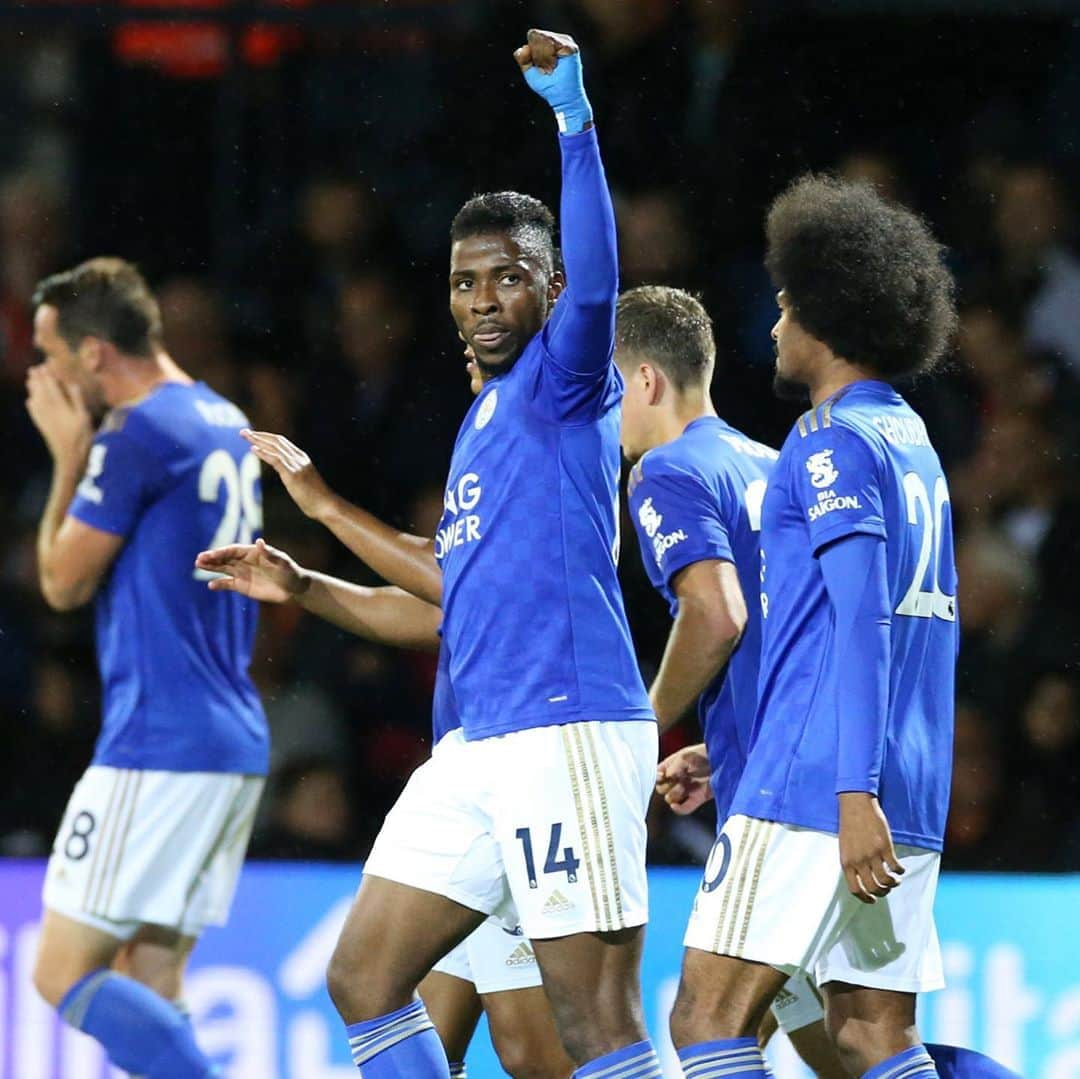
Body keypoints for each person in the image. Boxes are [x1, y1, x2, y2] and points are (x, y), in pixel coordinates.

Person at [202, 30, 659, 1078]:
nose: (481, 298)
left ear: (546, 289)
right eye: (463, 282)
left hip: (564, 725)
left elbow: (597, 287)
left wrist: (574, 120)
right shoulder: (486, 418)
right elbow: (455, 587)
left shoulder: (566, 379)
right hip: (477, 743)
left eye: (507, 279)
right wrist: (307, 582)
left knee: (591, 1031)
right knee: (362, 977)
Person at [667, 173, 959, 1079]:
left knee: (707, 1020)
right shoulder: (910, 438)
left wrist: (846, 786)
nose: (774, 325)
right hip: (902, 778)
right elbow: (875, 631)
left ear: (827, 314)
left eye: (787, 307)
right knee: (873, 1033)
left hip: (823, 785)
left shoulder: (828, 441)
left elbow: (862, 615)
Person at [25, 257, 267, 1079]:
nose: (44, 376)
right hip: (229, 735)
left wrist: (67, 454)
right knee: (153, 974)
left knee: (59, 970)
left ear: (93, 354)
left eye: (51, 356)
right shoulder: (222, 415)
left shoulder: (136, 432)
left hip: (159, 742)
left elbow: (61, 580)